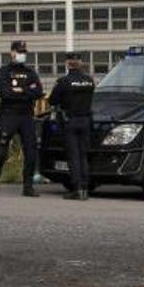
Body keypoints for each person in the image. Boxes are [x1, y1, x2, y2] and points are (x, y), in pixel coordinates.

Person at [0, 41, 44, 196]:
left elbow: (38, 92)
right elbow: (6, 93)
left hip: (26, 116)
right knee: (1, 151)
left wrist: (19, 90)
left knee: (31, 152)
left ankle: (28, 186)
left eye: (24, 51)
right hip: (9, 114)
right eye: (19, 51)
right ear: (12, 52)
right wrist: (26, 91)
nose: (22, 54)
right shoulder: (4, 71)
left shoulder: (31, 72)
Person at [49, 51, 96, 200]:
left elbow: (52, 100)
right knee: (83, 156)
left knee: (74, 156)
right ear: (81, 63)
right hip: (86, 121)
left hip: (71, 121)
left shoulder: (63, 81)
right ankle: (85, 188)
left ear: (68, 63)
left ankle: (77, 189)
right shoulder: (89, 81)